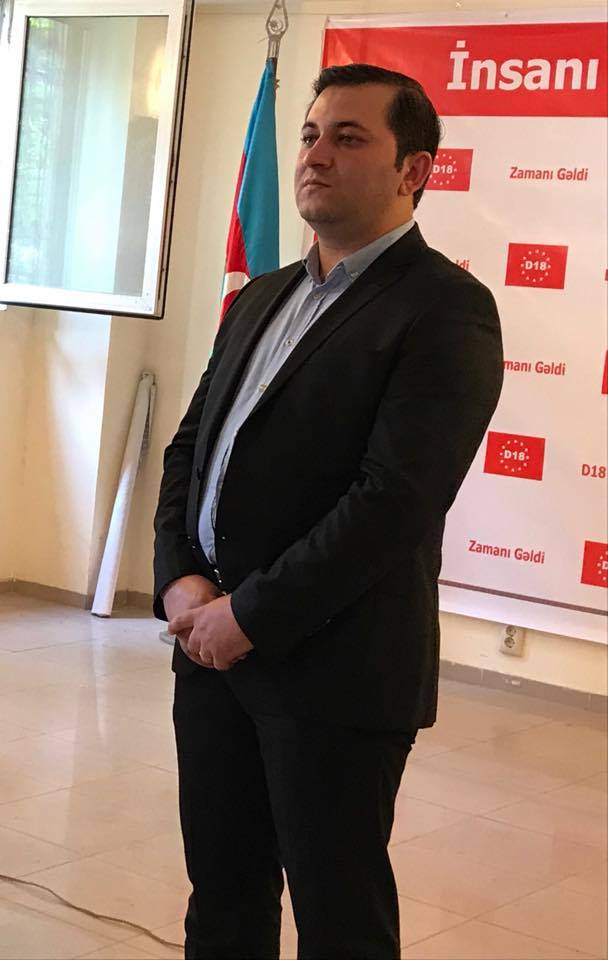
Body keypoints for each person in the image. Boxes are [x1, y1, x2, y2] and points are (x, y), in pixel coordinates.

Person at [152, 64, 503, 959]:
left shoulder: (446, 309)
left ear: (413, 170)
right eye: (310, 134)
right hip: (210, 652)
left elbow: (394, 503)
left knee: (339, 918)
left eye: (349, 138)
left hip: (336, 671)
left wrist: (251, 615)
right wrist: (179, 579)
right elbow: (191, 448)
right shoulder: (260, 296)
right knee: (223, 898)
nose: (315, 155)